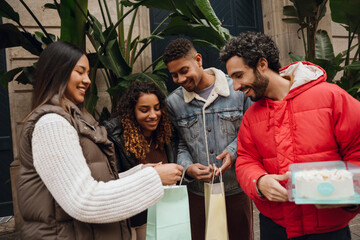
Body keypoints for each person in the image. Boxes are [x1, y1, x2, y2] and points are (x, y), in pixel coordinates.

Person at [17, 41, 183, 240]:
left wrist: (142, 172)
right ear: (57, 72)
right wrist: (154, 178)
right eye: (80, 72)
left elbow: (95, 183)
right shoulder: (52, 124)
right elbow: (84, 201)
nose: (87, 80)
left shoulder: (76, 120)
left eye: (88, 73)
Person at [219, 31, 360, 240]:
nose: (236, 86)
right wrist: (259, 181)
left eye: (239, 76)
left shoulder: (333, 97)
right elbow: (246, 160)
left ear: (262, 64)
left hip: (328, 229)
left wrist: (328, 188)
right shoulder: (251, 116)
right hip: (275, 228)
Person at [164, 38, 253, 240]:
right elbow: (179, 144)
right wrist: (188, 168)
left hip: (236, 189)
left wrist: (232, 153)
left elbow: (249, 134)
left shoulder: (238, 91)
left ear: (198, 60)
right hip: (197, 193)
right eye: (174, 75)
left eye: (184, 71)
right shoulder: (173, 103)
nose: (179, 79)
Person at [104, 80, 176, 240]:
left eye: (157, 108)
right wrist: (149, 174)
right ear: (131, 111)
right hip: (137, 220)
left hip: (167, 215)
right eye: (144, 110)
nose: (153, 115)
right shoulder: (116, 137)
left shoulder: (167, 133)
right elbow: (113, 181)